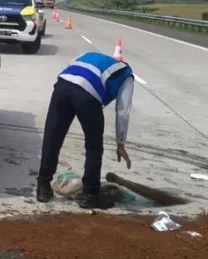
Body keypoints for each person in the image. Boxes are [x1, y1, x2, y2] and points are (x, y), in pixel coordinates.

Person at [35, 51, 135, 209]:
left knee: (52, 138)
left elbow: (68, 71)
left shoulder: (87, 55)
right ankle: (89, 194)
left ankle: (43, 187)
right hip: (87, 94)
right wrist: (120, 143)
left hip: (62, 86)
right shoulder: (126, 75)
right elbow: (123, 111)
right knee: (94, 145)